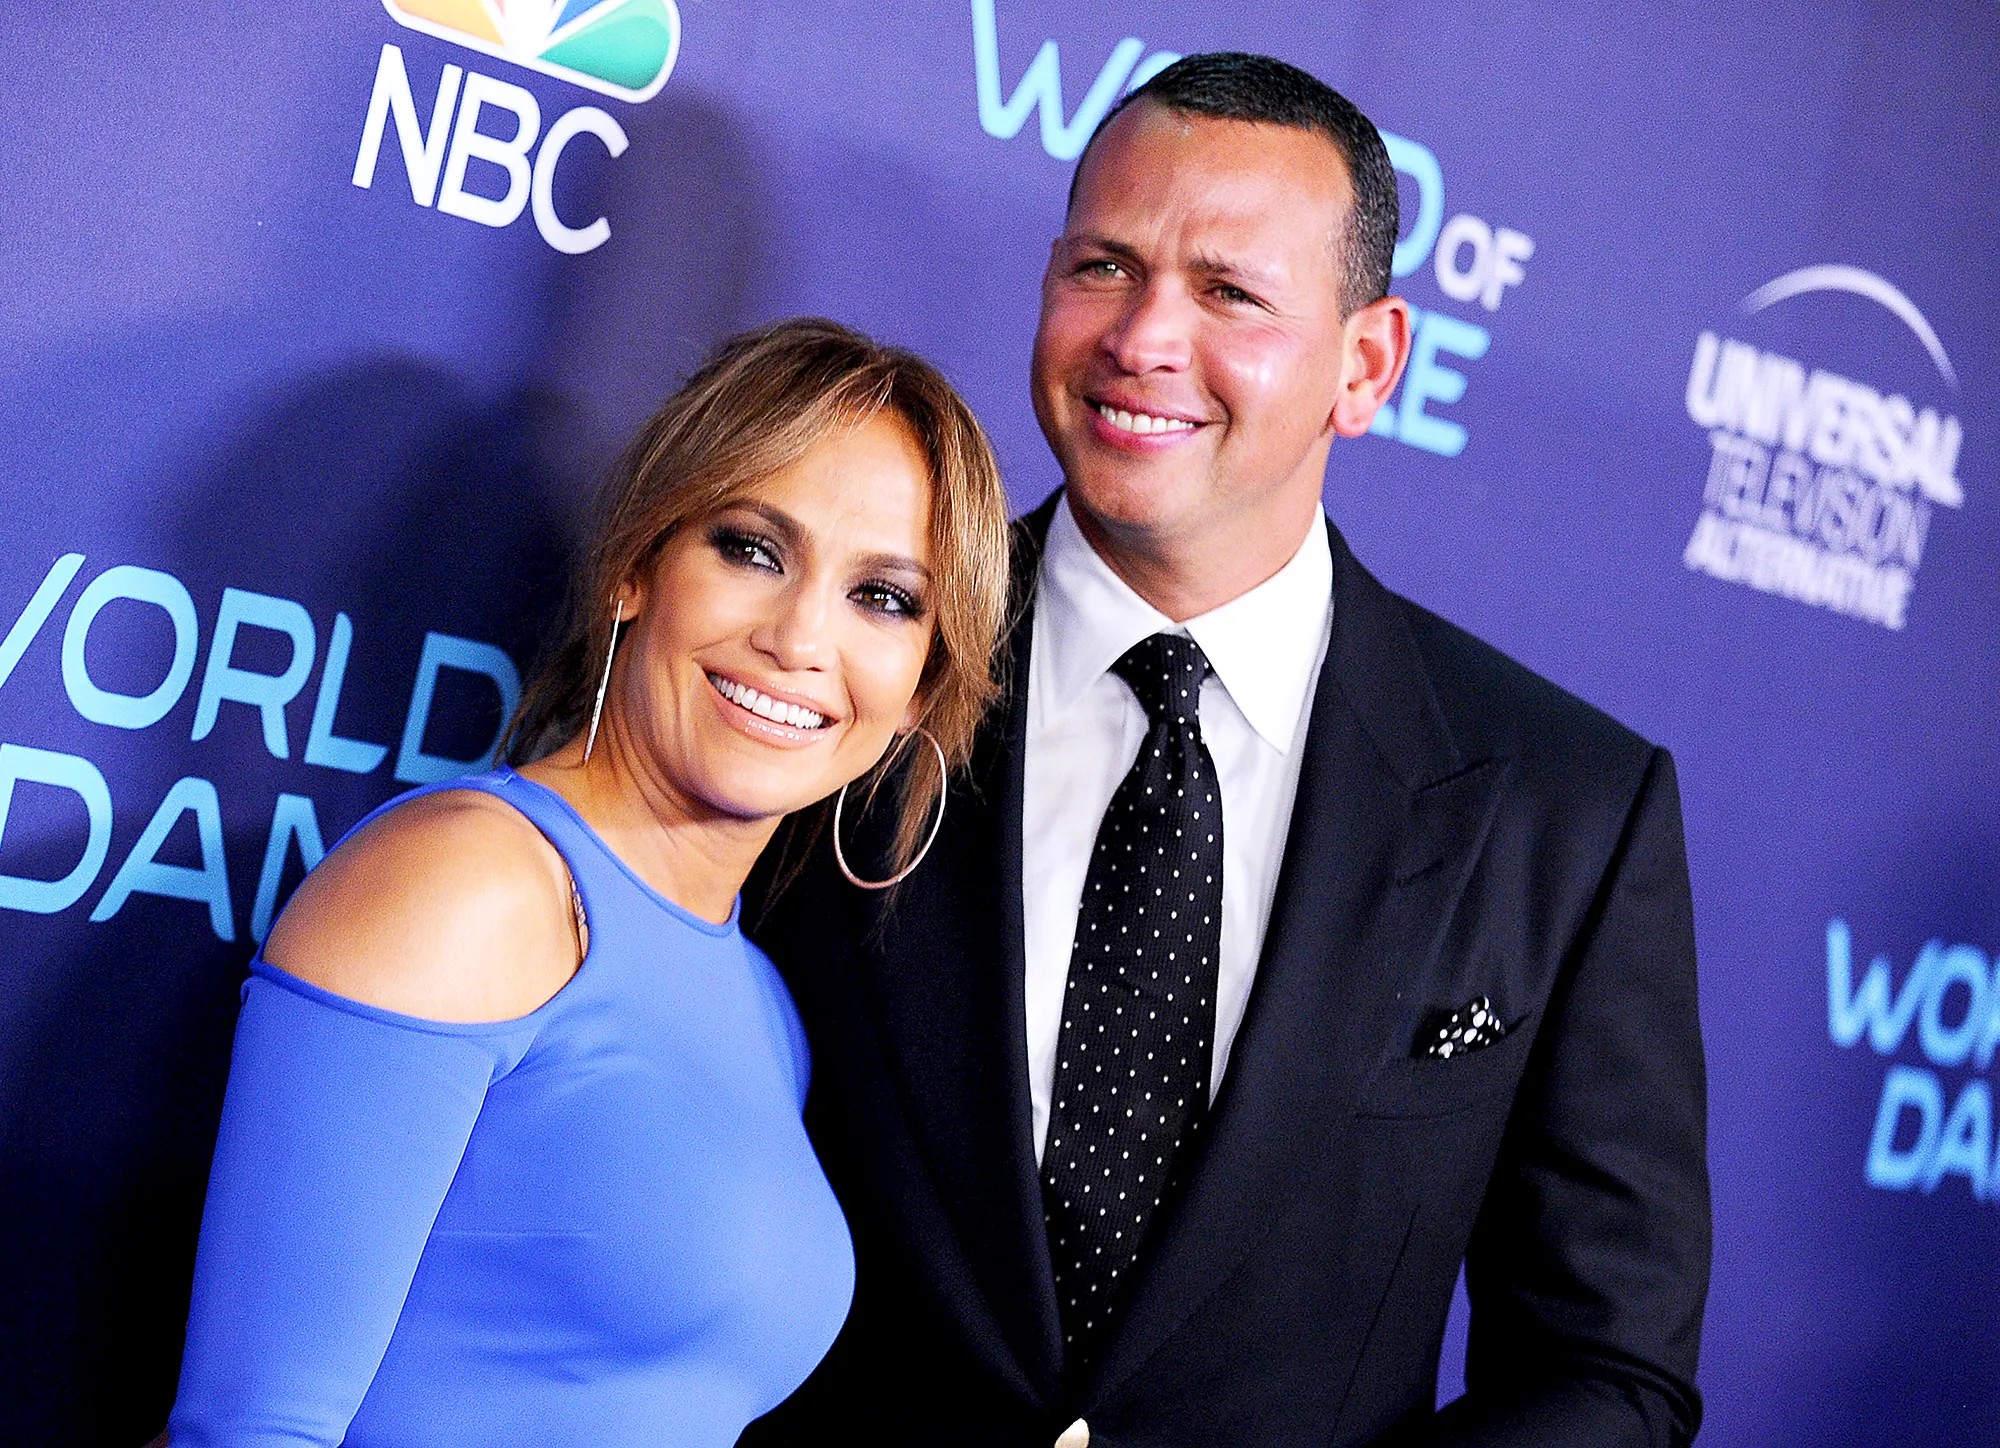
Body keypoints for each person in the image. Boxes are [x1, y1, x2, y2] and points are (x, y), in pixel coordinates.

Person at [741, 55, 1711, 1448]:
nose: (1142, 337)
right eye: (1103, 267)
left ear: (1366, 365)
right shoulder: (841, 683)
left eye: (1230, 293)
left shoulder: (1564, 807)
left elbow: (1608, 1371)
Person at [160, 318, 1011, 1448]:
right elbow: (250, 1429)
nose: (802, 636)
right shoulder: (475, 883)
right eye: (752, 548)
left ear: (918, 688)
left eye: (884, 598)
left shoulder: (765, 1003)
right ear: (634, 565)